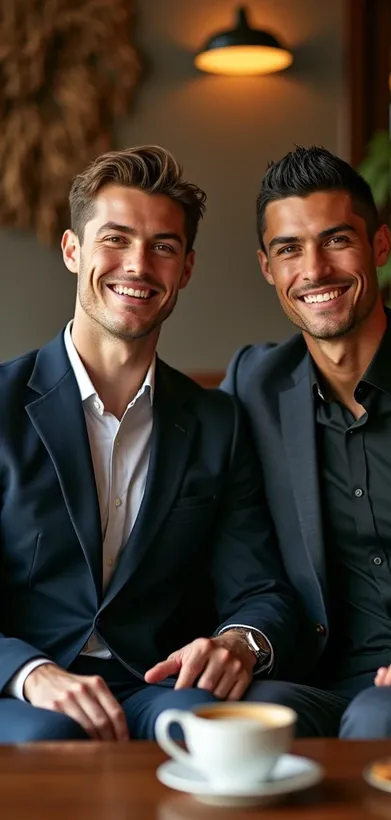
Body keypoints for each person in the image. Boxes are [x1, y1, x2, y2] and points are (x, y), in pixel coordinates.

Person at [0, 145, 318, 742]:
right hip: (20, 690)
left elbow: (260, 589)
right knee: (53, 740)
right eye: (115, 239)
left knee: (216, 733)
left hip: (156, 684)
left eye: (163, 248)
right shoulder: (1, 405)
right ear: (74, 251)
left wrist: (239, 643)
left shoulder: (217, 423)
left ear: (186, 269)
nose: (138, 265)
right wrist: (29, 672)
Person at [221, 145, 391, 738]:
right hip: (319, 680)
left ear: (379, 245)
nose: (314, 270)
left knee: (379, 717)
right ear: (267, 268)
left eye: (337, 240)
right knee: (231, 723)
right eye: (289, 249)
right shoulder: (251, 387)